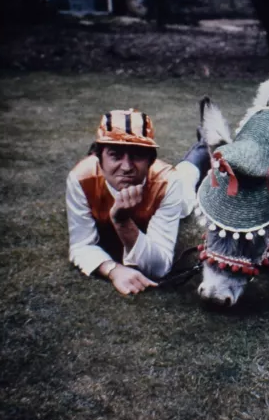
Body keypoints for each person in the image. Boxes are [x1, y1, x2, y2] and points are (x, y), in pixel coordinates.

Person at [65, 108, 210, 296]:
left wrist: (123, 222)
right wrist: (112, 269)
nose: (126, 167)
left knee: (186, 182)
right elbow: (80, 245)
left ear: (151, 161)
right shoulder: (81, 178)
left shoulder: (167, 183)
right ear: (98, 158)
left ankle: (203, 147)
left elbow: (159, 268)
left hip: (178, 187)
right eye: (115, 155)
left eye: (137, 155)